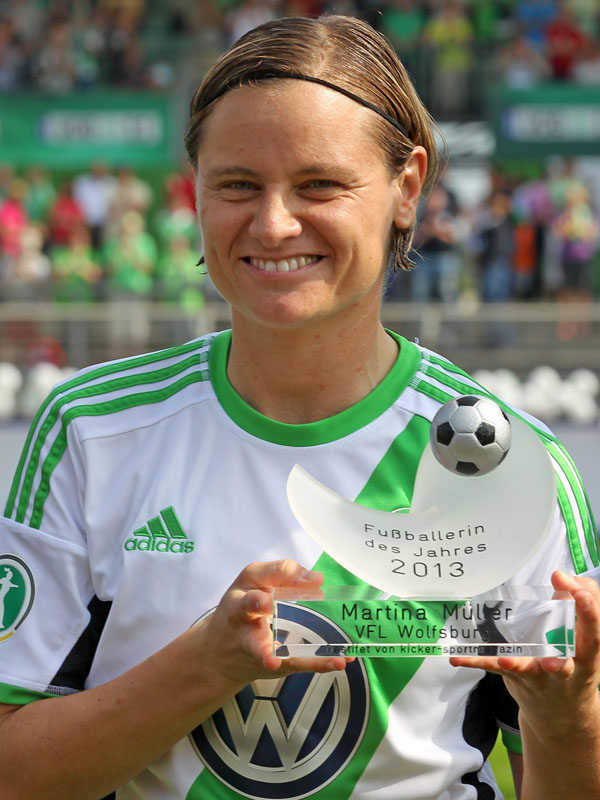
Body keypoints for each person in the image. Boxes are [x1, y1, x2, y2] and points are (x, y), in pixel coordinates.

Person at [0, 15, 599, 800]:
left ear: (406, 189)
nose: (274, 223)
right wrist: (204, 666)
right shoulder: (91, 432)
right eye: (237, 185)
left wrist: (568, 722)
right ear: (196, 188)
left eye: (320, 185)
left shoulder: (501, 464)